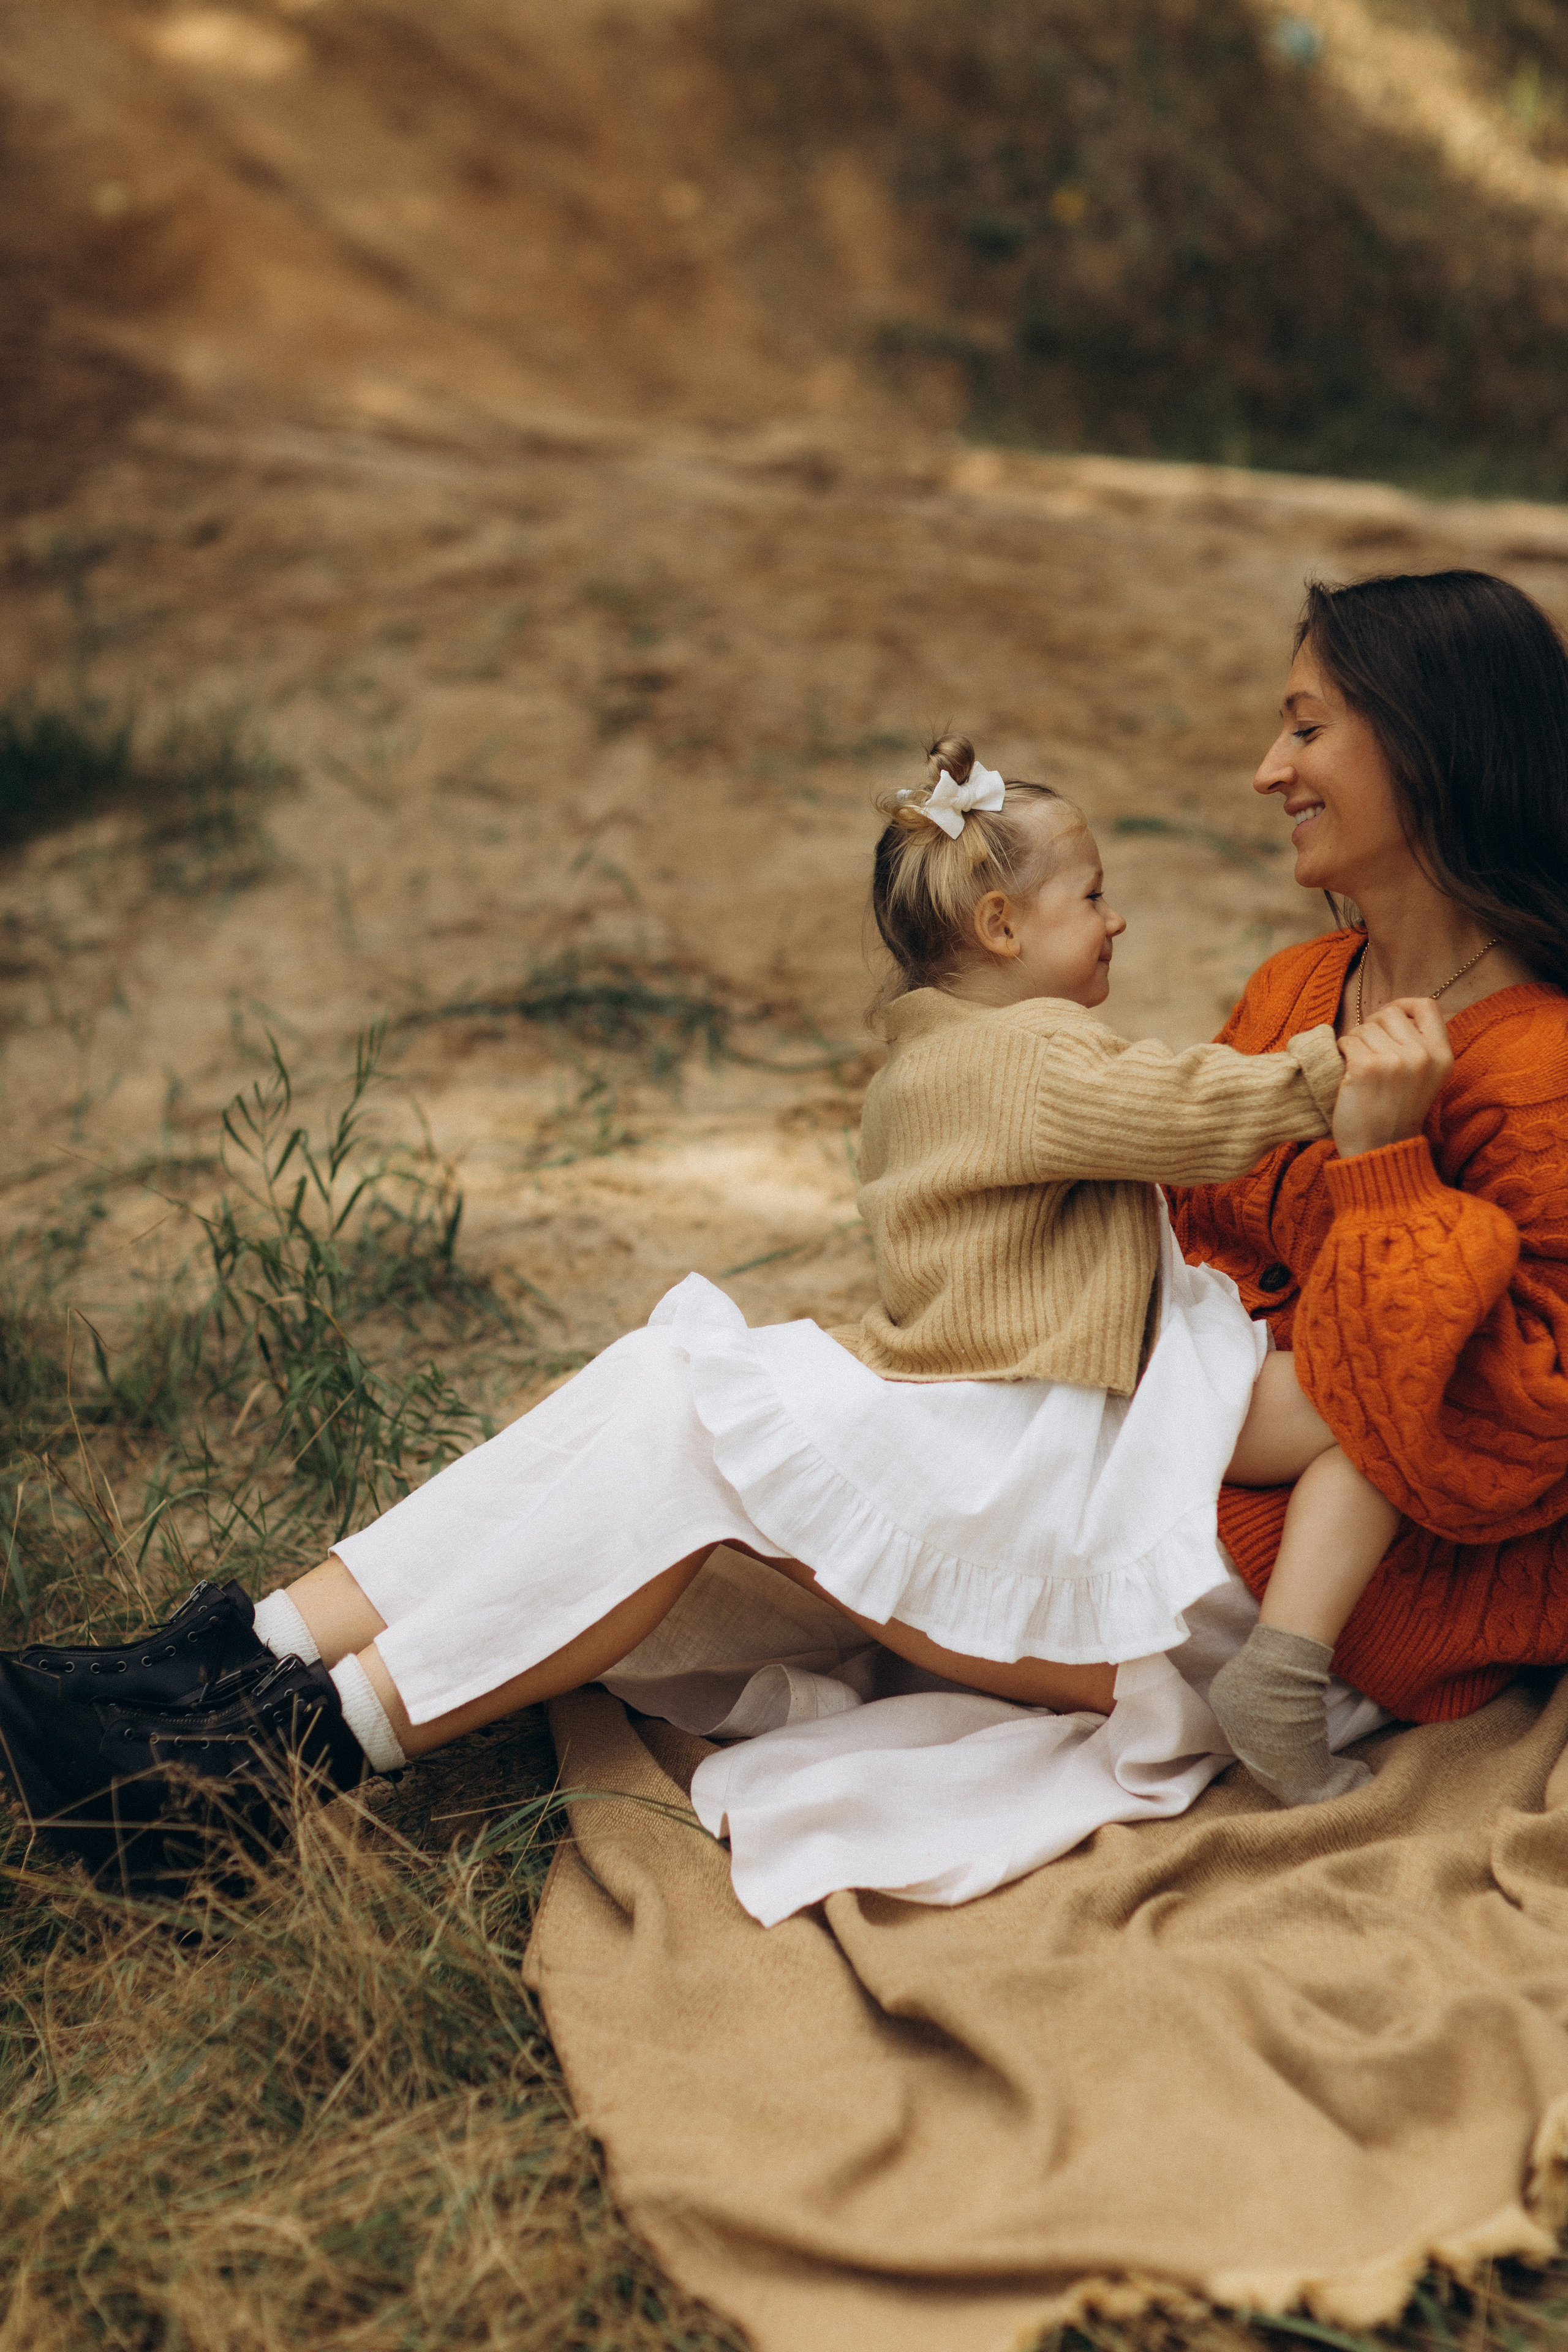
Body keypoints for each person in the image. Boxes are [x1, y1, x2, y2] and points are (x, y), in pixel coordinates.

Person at [0, 723, 1447, 1894]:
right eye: (1089, 897)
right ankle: (266, 1707)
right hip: (1027, 1441)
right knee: (670, 1397)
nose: (1115, 916)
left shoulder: (938, 1057)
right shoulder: (1027, 1055)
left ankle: (268, 1691)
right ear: (1000, 925)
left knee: (672, 1398)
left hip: (1064, 1477)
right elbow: (1183, 1108)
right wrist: (1336, 1076)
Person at [1170, 568, 1568, 1735]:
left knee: (723, 1456)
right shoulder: (1293, 989)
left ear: (1432, 742)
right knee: (712, 1422)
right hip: (1171, 1456)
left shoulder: (1542, 1069)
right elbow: (1184, 1228)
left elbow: (1520, 1413)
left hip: (1333, 1594)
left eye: (1307, 728)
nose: (1268, 770)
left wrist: (1387, 1166)